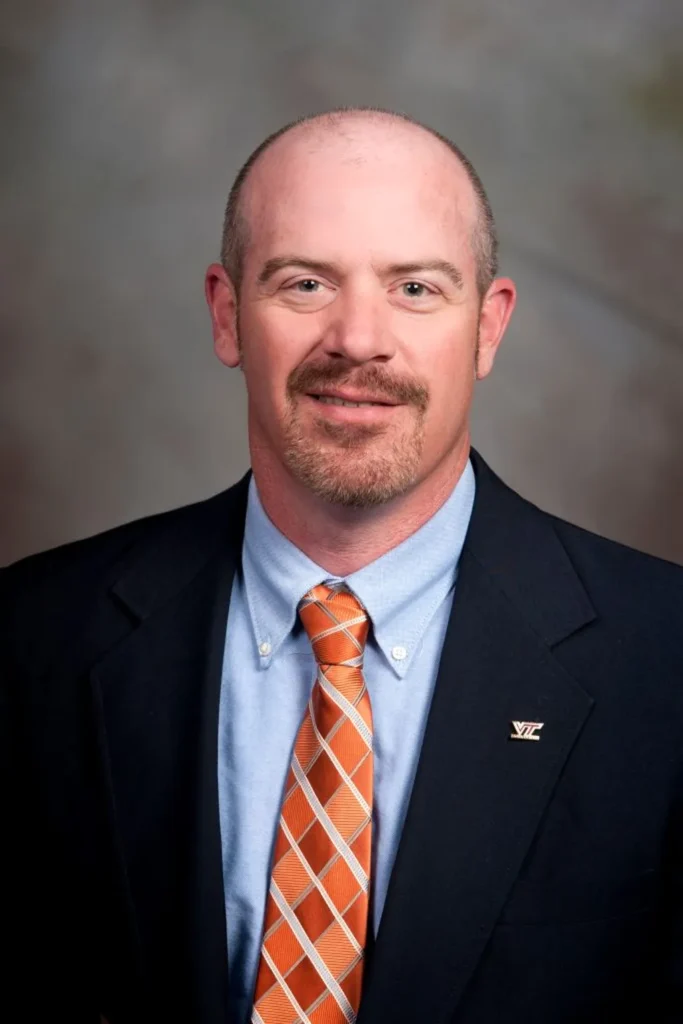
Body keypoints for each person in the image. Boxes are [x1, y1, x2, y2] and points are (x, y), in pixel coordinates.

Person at [2, 106, 682, 1024]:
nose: (358, 340)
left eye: (415, 288)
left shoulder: (664, 660)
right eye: (306, 283)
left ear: (487, 329)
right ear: (226, 314)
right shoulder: (32, 639)